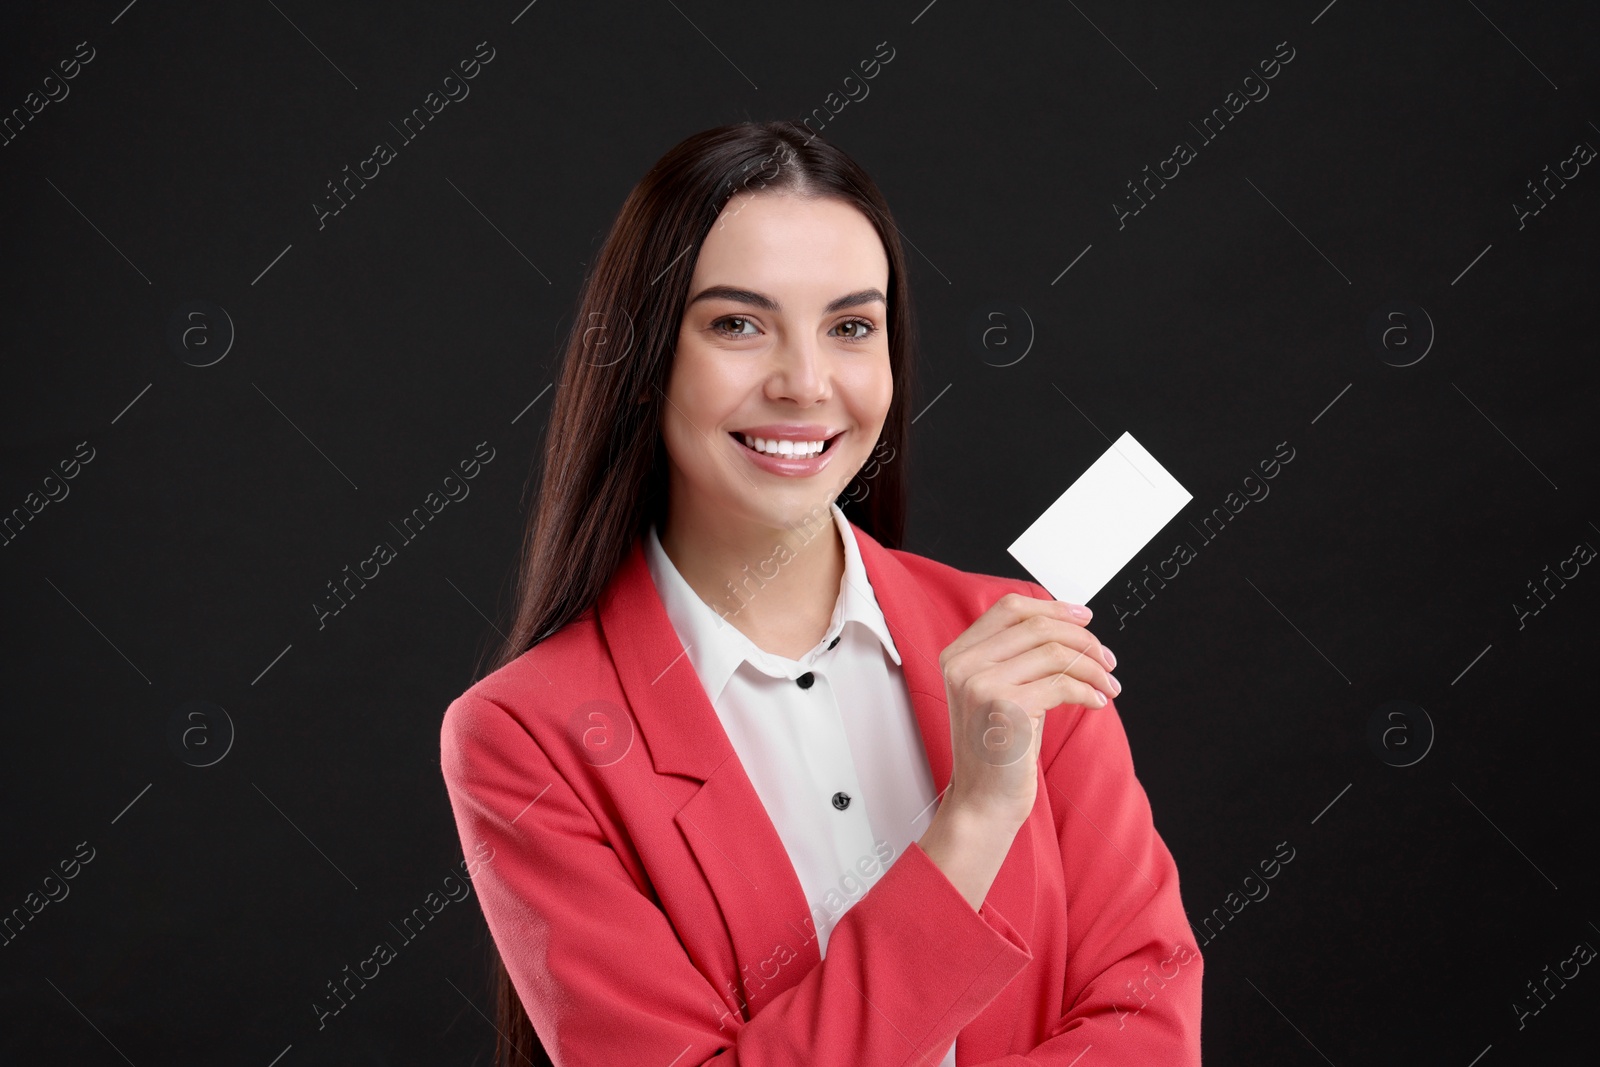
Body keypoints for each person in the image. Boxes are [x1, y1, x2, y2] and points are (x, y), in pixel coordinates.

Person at [438, 119, 1203, 1066]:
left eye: (850, 327)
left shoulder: (1020, 647)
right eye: (737, 324)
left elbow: (1149, 1019)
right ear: (643, 360)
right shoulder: (525, 739)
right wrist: (970, 823)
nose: (805, 384)